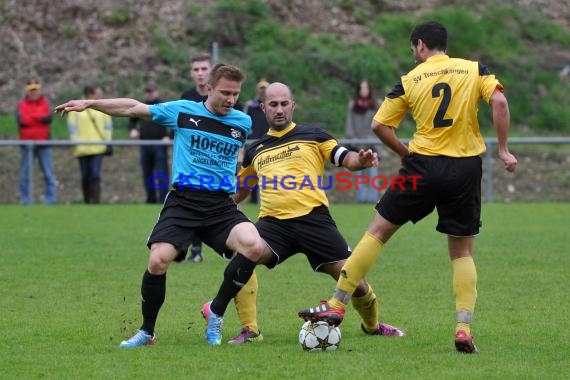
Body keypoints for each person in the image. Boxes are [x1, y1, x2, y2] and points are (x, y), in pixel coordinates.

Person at [298, 21, 518, 354]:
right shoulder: (474, 69)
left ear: (419, 45)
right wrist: (503, 149)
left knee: (378, 231)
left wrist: (404, 153)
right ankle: (462, 328)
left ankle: (338, 303)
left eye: (413, 48)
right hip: (465, 168)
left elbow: (378, 124)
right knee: (461, 251)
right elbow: (499, 103)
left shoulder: (409, 80)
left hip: (423, 166)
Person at [56, 63, 267, 347]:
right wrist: (90, 104)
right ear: (208, 89)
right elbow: (133, 108)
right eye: (225, 93)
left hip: (220, 205)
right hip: (184, 201)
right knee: (157, 261)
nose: (230, 100)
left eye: (235, 94)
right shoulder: (183, 110)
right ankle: (147, 331)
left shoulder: (242, 121)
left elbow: (239, 157)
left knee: (254, 246)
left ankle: (215, 310)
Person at [227, 82, 405, 345]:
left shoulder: (314, 135)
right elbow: (240, 192)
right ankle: (250, 329)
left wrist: (362, 160)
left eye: (284, 104)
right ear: (263, 107)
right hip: (273, 224)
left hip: (314, 221)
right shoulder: (255, 149)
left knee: (354, 280)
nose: (279, 110)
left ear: (293, 105)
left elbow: (346, 158)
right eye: (273, 105)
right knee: (242, 258)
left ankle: (372, 326)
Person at [67, 85, 113, 204]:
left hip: (97, 147)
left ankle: (96, 201)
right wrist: (75, 141)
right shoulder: (77, 108)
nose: (99, 95)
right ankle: (87, 201)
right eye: (97, 93)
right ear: (90, 94)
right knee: (85, 176)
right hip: (82, 148)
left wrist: (107, 141)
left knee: (95, 175)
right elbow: (72, 127)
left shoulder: (101, 107)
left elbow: (108, 126)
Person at [16, 79, 57, 205]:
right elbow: (22, 121)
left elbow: (47, 118)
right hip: (27, 145)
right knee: (25, 175)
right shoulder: (21, 105)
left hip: (44, 143)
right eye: (31, 90)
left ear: (40, 90)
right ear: (28, 92)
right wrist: (38, 117)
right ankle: (26, 200)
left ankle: (50, 201)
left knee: (48, 173)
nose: (33, 93)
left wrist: (31, 117)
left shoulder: (45, 104)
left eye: (36, 90)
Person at [128, 84, 170, 204]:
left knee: (161, 173)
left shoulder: (164, 106)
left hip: (160, 145)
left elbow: (174, 122)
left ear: (157, 92)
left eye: (152, 91)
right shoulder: (142, 106)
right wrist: (133, 129)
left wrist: (169, 136)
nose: (150, 94)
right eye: (148, 92)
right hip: (144, 144)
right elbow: (132, 120)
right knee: (147, 173)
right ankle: (150, 199)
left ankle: (163, 199)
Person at [345, 80, 380, 203]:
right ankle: (361, 199)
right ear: (358, 90)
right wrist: (353, 138)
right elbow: (349, 124)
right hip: (357, 143)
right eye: (362, 88)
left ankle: (373, 198)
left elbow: (379, 124)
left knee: (373, 170)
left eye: (366, 88)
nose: (364, 90)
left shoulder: (376, 105)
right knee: (359, 172)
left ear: (369, 89)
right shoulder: (353, 105)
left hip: (372, 143)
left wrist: (373, 138)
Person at [242, 78, 271, 204]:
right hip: (253, 143)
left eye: (265, 88)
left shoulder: (272, 106)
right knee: (252, 172)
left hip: (269, 142)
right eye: (261, 88)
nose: (263, 91)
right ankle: (254, 200)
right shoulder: (250, 106)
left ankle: (268, 198)